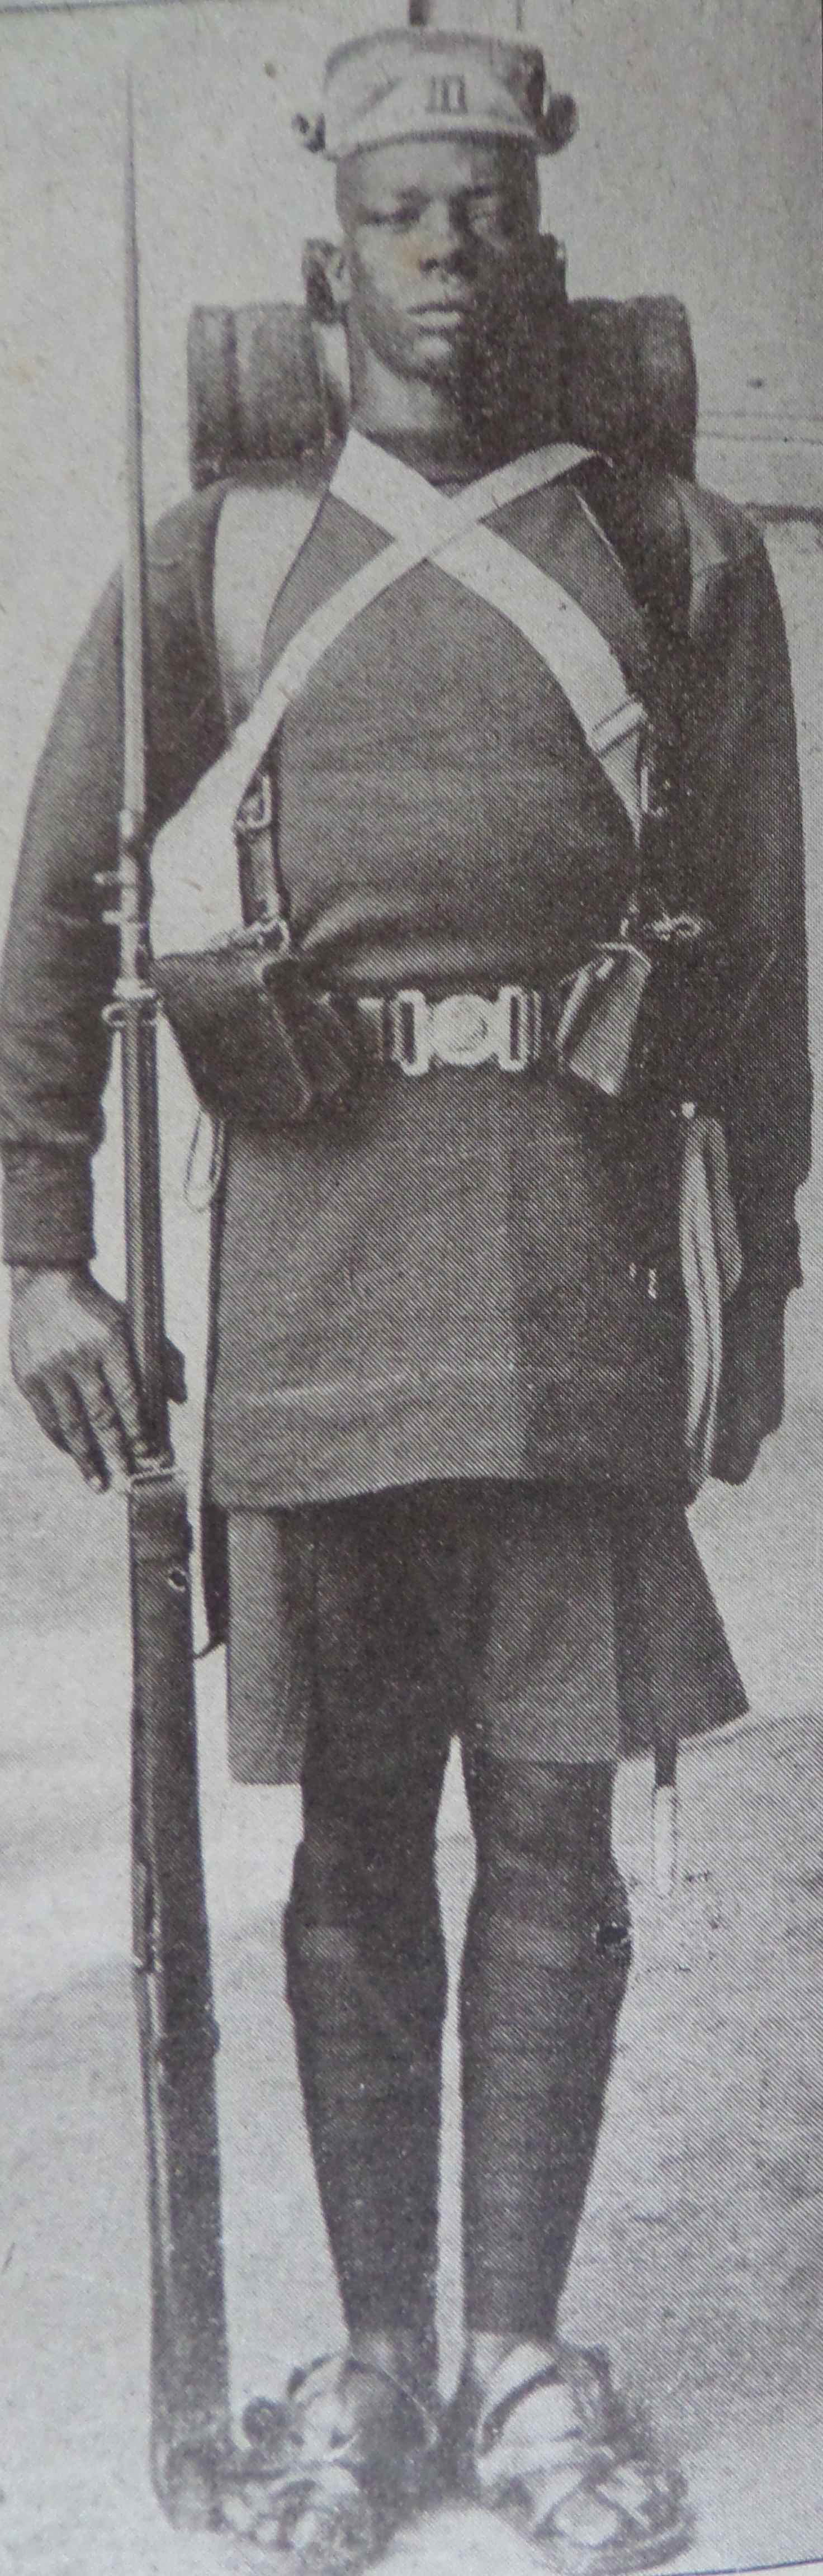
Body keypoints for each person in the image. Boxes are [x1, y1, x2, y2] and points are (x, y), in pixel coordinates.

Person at [0, 11, 811, 2570]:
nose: (443, 260)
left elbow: (764, 965)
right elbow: (51, 921)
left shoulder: (675, 559)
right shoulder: (206, 565)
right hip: (318, 1282)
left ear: (538, 252)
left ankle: (519, 2360)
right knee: (354, 1841)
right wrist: (36, 1253)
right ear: (326, 262)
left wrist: (765, 1281)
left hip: (573, 1271)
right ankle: (368, 2368)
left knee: (553, 1825)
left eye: (483, 219)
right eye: (394, 221)